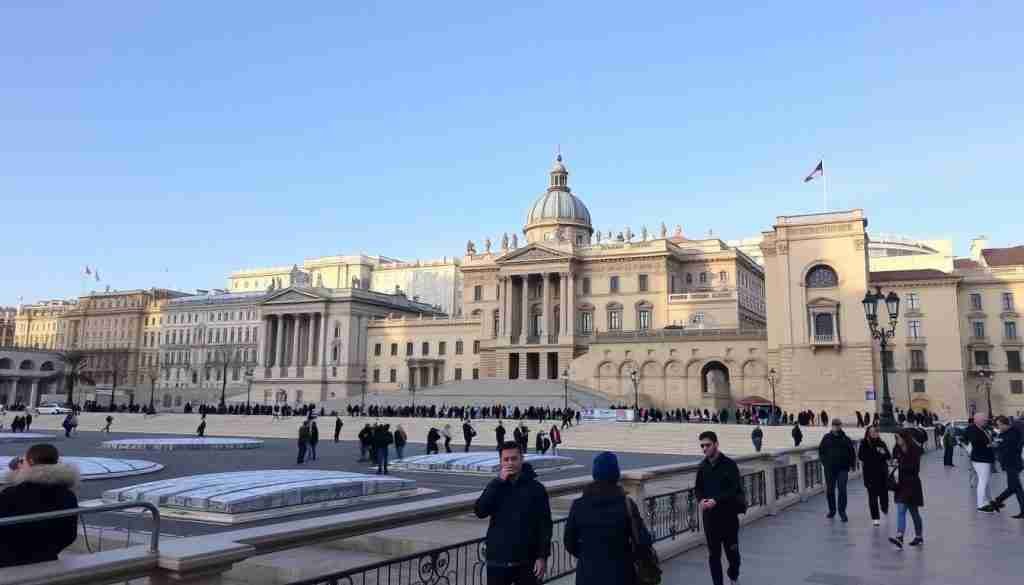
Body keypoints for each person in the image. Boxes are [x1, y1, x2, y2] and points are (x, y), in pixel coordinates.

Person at [564, 451, 652, 585]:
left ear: (595, 474)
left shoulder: (579, 505)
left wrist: (586, 555)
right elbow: (643, 541)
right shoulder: (626, 504)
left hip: (588, 575)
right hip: (621, 574)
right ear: (616, 474)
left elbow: (569, 542)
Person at [474, 441, 552, 585]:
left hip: (527, 561)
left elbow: (545, 525)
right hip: (498, 560)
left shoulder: (536, 489)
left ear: (522, 459)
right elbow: (480, 511)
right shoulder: (496, 486)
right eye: (506, 459)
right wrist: (497, 483)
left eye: (514, 458)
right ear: (501, 461)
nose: (510, 463)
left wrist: (542, 557)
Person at [0, 444, 80, 568]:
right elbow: (69, 534)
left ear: (30, 462)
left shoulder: (11, 494)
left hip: (9, 562)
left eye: (23, 461)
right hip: (47, 558)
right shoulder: (68, 494)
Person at [694, 431, 742, 585]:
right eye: (702, 446)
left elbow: (734, 489)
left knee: (732, 555)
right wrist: (701, 500)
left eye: (707, 445)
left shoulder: (729, 464)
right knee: (713, 556)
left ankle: (733, 575)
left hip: (728, 518)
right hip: (710, 520)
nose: (704, 449)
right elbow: (698, 488)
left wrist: (716, 500)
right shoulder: (702, 466)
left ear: (716, 444)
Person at [888, 429, 924, 549]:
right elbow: (894, 462)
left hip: (912, 484)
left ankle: (919, 536)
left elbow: (915, 469)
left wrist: (900, 465)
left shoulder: (914, 450)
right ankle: (900, 536)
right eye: (896, 438)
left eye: (898, 438)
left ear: (905, 438)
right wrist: (893, 464)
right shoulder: (896, 449)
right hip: (900, 484)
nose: (897, 441)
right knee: (901, 510)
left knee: (914, 512)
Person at [818, 419, 855, 521]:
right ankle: (832, 510)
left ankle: (842, 512)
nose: (836, 427)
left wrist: (851, 464)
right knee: (830, 490)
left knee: (842, 490)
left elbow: (851, 453)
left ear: (840, 426)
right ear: (832, 426)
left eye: (838, 425)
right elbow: (821, 451)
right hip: (829, 469)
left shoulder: (846, 439)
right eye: (834, 425)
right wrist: (825, 463)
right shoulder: (826, 438)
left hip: (843, 469)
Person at [858, 424, 891, 526]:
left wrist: (882, 452)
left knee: (883, 496)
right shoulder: (864, 443)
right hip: (870, 475)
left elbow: (888, 456)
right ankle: (875, 518)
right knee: (872, 497)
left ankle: (884, 507)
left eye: (876, 432)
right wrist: (876, 454)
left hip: (882, 474)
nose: (874, 433)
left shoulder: (881, 443)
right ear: (868, 433)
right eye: (872, 432)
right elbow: (861, 456)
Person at [992, 416, 1024, 518]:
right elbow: (1001, 444)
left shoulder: (1013, 433)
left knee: (1014, 487)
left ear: (1005, 424)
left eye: (1000, 425)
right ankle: (997, 501)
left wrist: (998, 446)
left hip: (1013, 463)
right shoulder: (1004, 433)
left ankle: (997, 501)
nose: (999, 427)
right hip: (1009, 463)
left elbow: (1011, 448)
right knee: (1015, 487)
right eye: (998, 425)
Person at [966, 413, 998, 512]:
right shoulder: (972, 429)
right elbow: (977, 442)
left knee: (986, 481)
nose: (986, 421)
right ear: (977, 420)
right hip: (980, 458)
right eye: (984, 420)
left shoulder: (982, 429)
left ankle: (989, 501)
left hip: (984, 458)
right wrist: (990, 445)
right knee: (983, 481)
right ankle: (981, 505)